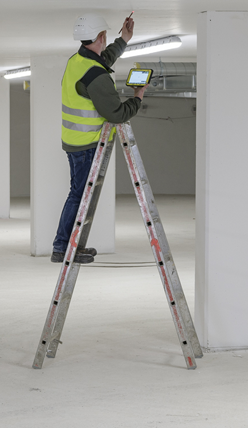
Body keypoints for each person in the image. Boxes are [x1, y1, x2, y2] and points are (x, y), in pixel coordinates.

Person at [52, 13, 147, 263]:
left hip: (74, 141)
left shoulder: (78, 60)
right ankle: (62, 248)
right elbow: (116, 114)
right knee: (78, 196)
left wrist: (124, 39)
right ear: (101, 36)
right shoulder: (96, 74)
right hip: (86, 144)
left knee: (78, 194)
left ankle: (72, 246)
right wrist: (138, 98)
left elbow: (103, 60)